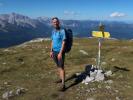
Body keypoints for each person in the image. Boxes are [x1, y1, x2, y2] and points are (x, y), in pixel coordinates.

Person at [50, 17, 66, 91]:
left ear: (58, 22)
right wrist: (51, 51)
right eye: (54, 22)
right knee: (58, 66)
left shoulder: (62, 31)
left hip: (60, 52)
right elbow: (52, 41)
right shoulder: (53, 31)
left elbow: (64, 42)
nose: (55, 23)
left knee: (61, 67)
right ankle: (60, 78)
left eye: (56, 22)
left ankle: (63, 85)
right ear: (52, 23)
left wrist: (60, 53)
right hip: (54, 52)